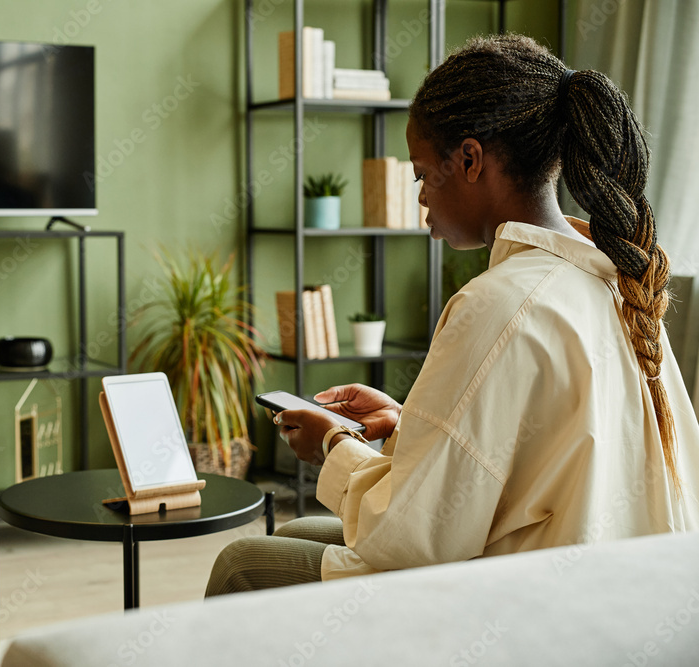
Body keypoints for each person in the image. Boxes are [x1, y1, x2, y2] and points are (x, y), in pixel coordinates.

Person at [205, 33, 699, 597]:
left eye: (419, 173)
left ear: (469, 159)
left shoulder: (499, 303)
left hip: (519, 602)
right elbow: (516, 457)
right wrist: (406, 425)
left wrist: (331, 445)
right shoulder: (618, 279)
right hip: (610, 582)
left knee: (243, 563)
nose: (419, 196)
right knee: (304, 529)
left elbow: (410, 536)